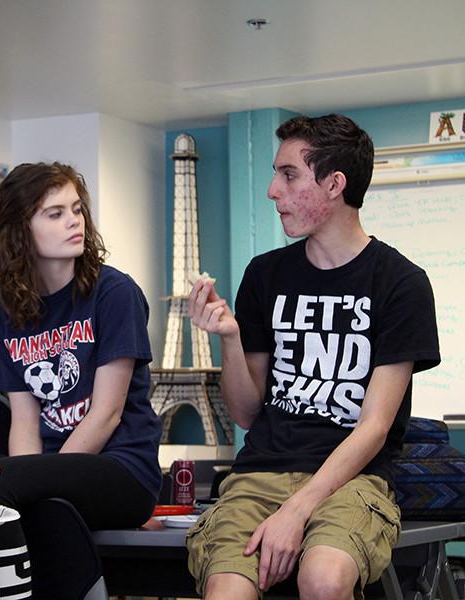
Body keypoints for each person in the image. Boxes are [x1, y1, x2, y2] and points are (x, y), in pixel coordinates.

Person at [186, 114, 440, 600]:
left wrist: (298, 509)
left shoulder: (401, 282)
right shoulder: (264, 275)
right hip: (259, 474)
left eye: (288, 175)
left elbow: (374, 427)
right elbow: (244, 411)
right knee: (226, 593)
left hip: (354, 480)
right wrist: (230, 338)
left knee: (323, 579)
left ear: (334, 184)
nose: (272, 191)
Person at [0, 162, 162, 599]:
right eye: (55, 213)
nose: (74, 222)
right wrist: (28, 476)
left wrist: (31, 477)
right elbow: (24, 420)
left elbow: (106, 414)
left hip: (122, 470)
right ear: (21, 230)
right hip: (51, 466)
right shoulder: (9, 308)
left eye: (77, 210)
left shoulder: (113, 292)